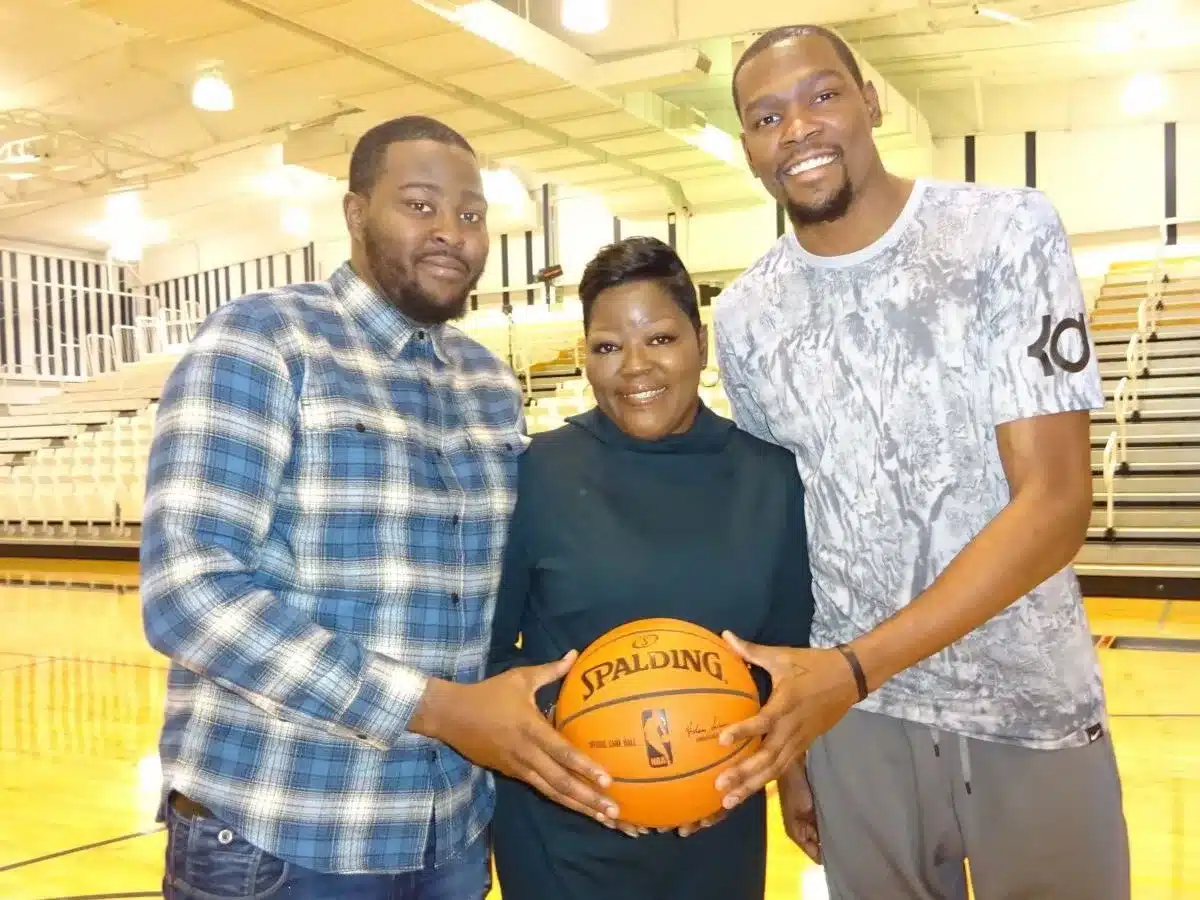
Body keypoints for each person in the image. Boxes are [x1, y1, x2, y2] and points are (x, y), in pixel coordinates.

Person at [140, 115, 618, 900]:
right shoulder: (263, 341)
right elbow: (189, 595)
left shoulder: (488, 384)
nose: (451, 234)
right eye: (420, 205)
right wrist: (436, 709)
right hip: (281, 834)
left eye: (470, 215)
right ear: (356, 213)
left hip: (452, 836)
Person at [708, 25, 1131, 900]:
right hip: (852, 727)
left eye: (822, 96)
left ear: (870, 101)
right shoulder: (746, 316)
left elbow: (1053, 504)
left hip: (1025, 707)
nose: (798, 129)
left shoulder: (1004, 233)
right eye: (766, 116)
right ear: (749, 147)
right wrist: (794, 746)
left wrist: (855, 668)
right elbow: (786, 535)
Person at [485, 236, 815, 900]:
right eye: (608, 347)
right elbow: (486, 656)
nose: (636, 367)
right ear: (585, 358)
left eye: (661, 339)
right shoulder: (533, 473)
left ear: (700, 341)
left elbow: (786, 662)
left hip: (715, 825)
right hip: (566, 830)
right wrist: (565, 747)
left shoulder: (770, 478)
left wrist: (778, 769)